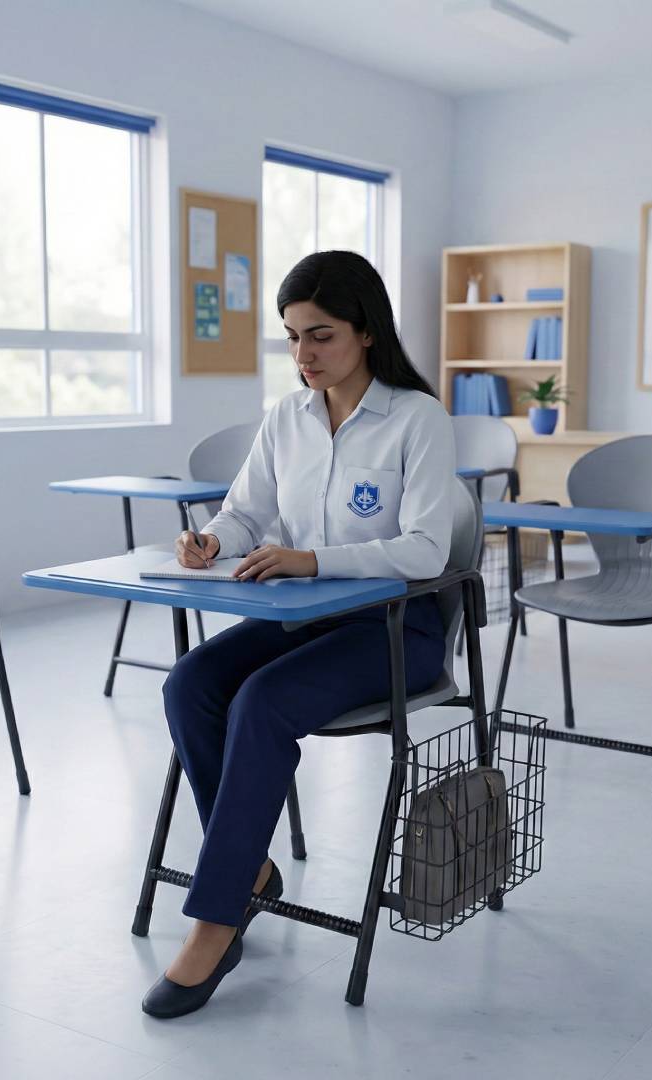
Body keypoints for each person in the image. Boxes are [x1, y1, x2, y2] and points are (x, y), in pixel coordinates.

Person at [142, 250, 456, 1018]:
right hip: (303, 613)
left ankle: (215, 924)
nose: (303, 355)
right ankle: (249, 873)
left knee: (262, 703)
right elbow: (245, 511)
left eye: (320, 336)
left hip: (394, 627)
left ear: (366, 332)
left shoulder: (418, 419)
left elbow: (426, 549)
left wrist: (310, 558)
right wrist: (212, 540)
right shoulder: (286, 417)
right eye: (290, 338)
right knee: (190, 684)